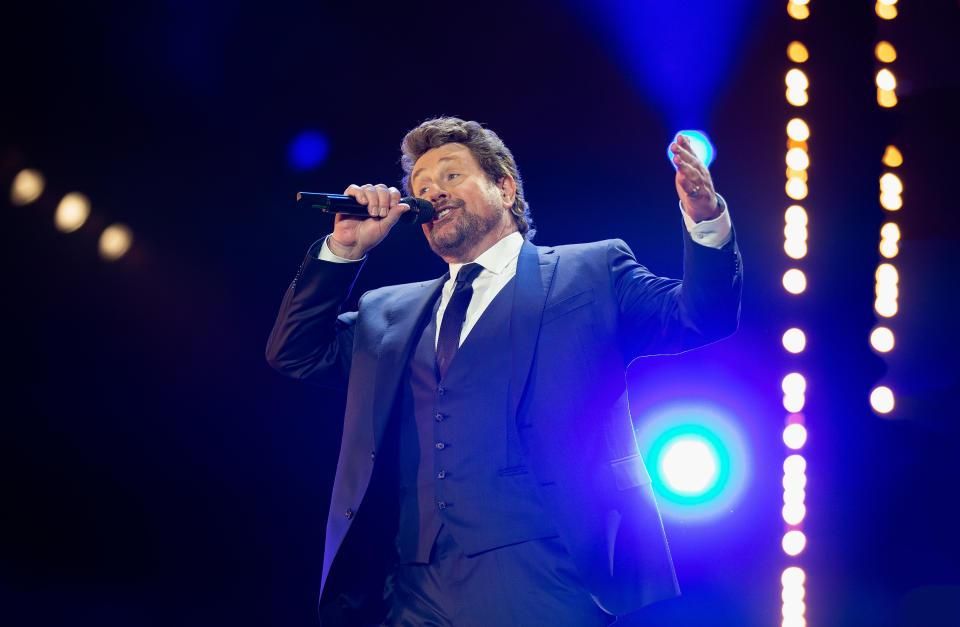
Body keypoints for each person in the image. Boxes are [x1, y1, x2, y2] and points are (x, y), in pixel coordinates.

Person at [266, 117, 742, 625]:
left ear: (504, 187)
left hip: (547, 573)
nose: (433, 192)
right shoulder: (388, 312)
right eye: (420, 187)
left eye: (450, 177)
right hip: (413, 587)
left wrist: (706, 220)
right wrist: (345, 249)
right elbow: (293, 351)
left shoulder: (590, 270)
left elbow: (699, 316)